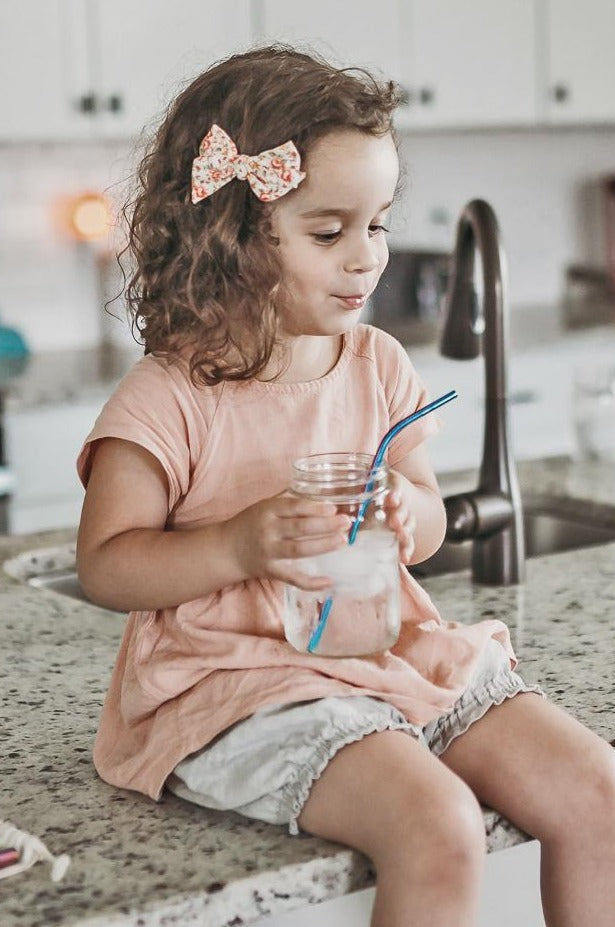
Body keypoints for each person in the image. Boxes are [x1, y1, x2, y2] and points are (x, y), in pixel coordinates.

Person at [76, 46, 615, 926]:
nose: (366, 259)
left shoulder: (378, 362)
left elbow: (430, 522)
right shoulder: (170, 395)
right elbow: (104, 564)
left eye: (378, 224)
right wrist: (238, 544)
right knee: (437, 821)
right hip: (234, 681)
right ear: (234, 239)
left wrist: (414, 513)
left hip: (381, 649)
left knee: (598, 787)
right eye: (329, 232)